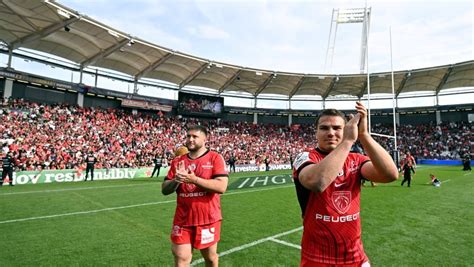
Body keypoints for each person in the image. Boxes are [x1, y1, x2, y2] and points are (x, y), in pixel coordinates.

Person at [292, 102, 398, 266]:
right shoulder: (305, 157)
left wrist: (364, 135)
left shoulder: (356, 160)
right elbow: (318, 182)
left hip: (356, 258)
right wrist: (347, 141)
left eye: (337, 128)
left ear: (346, 129)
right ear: (316, 132)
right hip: (317, 259)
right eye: (324, 128)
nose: (331, 133)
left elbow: (390, 174)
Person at [162, 125, 229, 267]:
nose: (190, 139)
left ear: (205, 139)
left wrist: (194, 180)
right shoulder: (178, 161)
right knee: (181, 260)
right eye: (188, 136)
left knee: (210, 259)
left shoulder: (215, 158)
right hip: (182, 220)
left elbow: (221, 187)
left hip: (207, 219)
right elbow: (164, 189)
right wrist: (176, 180)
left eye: (194, 136)